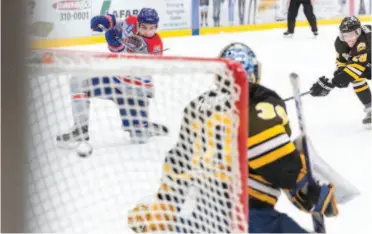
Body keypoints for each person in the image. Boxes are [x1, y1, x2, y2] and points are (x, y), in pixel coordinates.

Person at [126, 42, 338, 233]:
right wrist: (309, 192)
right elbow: (279, 167)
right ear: (254, 72)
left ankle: (179, 226)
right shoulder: (261, 102)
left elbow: (178, 162)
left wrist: (165, 207)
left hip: (202, 212)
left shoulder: (196, 106)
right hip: (247, 214)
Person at [56, 8, 168, 146]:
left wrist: (115, 45)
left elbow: (129, 57)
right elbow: (119, 24)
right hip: (116, 81)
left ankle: (145, 127)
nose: (147, 31)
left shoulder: (155, 45)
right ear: (138, 24)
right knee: (78, 81)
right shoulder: (132, 21)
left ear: (157, 27)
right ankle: (80, 129)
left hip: (136, 91)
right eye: (144, 27)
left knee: (139, 139)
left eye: (152, 28)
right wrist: (107, 21)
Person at [310, 16, 371, 128]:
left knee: (355, 73)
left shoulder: (365, 40)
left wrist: (334, 82)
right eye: (346, 35)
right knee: (356, 78)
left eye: (353, 34)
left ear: (359, 32)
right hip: (367, 62)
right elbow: (342, 63)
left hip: (367, 60)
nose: (349, 39)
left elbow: (356, 68)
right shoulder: (340, 43)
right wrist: (334, 78)